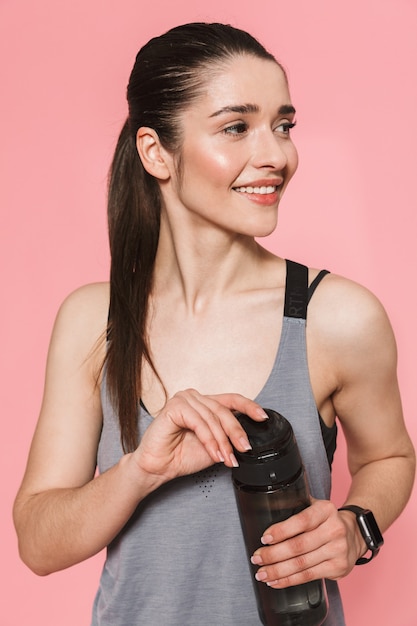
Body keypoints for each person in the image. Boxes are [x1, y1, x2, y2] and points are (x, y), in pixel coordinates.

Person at [13, 22, 415, 626]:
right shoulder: (94, 322)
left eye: (284, 125)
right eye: (236, 127)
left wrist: (356, 528)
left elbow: (389, 458)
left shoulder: (337, 317)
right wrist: (138, 472)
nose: (276, 155)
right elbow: (38, 545)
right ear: (157, 153)